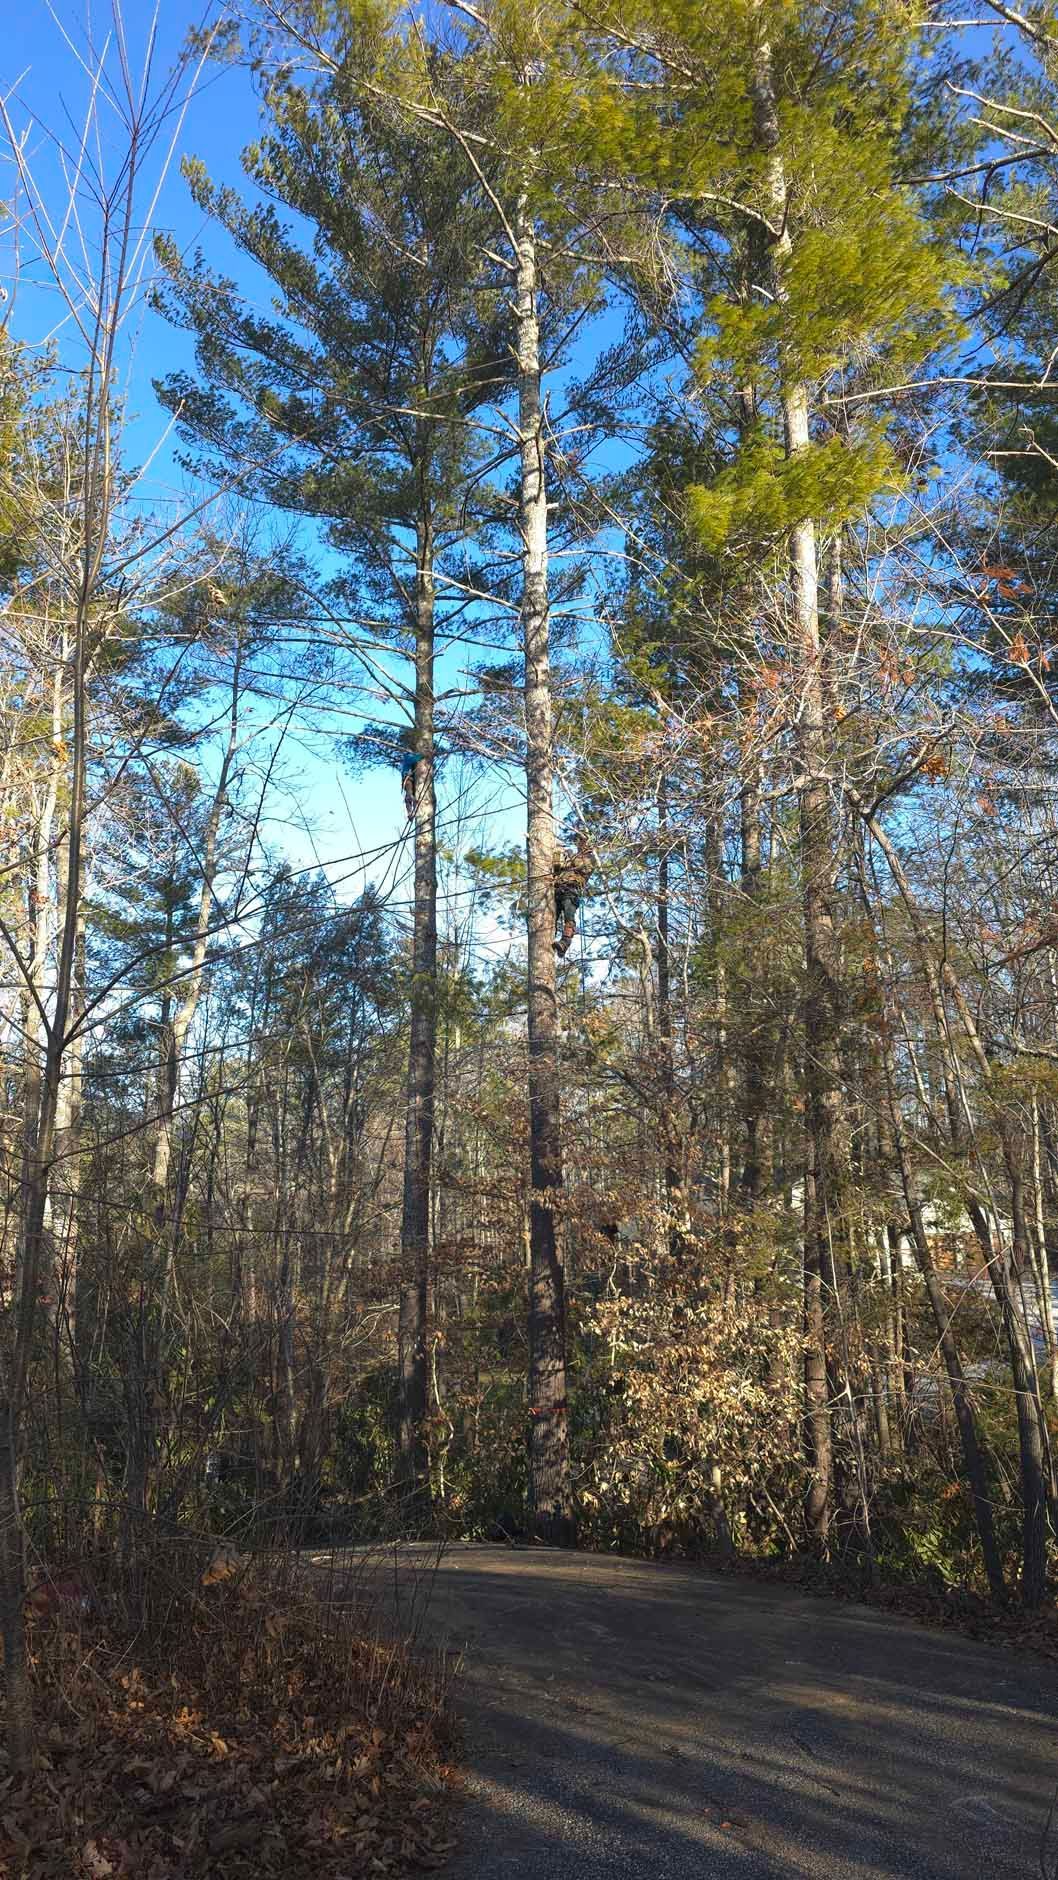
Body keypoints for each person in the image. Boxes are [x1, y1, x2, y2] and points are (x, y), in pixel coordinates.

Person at [553, 831, 593, 957]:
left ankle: (565, 942)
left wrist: (569, 855)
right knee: (551, 918)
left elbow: (582, 866)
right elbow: (557, 868)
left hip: (572, 890)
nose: (580, 843)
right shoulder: (572, 856)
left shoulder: (590, 858)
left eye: (582, 841)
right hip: (558, 888)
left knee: (569, 917)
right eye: (579, 841)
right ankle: (551, 940)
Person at [400, 748, 422, 820]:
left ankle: (410, 813)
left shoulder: (406, 759)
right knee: (409, 795)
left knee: (408, 796)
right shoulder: (407, 757)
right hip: (408, 779)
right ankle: (413, 800)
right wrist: (423, 755)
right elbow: (415, 759)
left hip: (410, 780)